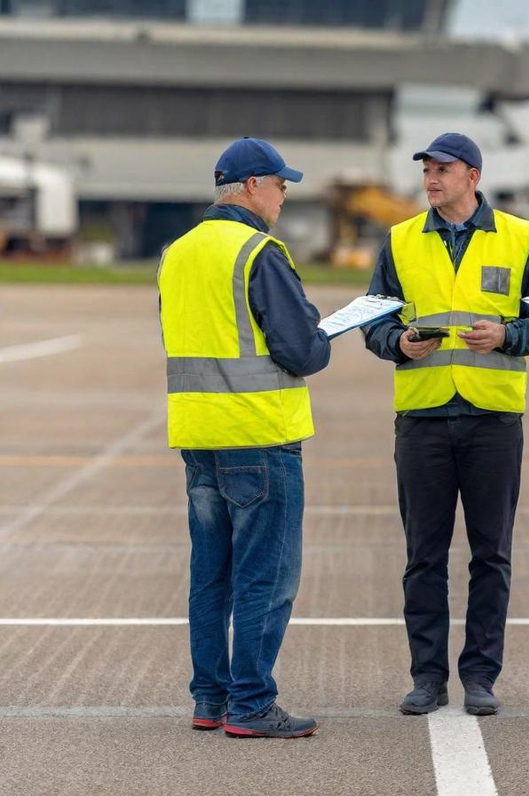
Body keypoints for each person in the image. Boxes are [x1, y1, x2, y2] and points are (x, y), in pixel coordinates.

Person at [363, 132, 529, 716]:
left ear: (473, 177)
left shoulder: (519, 237)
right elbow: (371, 320)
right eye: (427, 170)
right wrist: (398, 343)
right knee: (423, 557)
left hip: (492, 419)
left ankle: (480, 676)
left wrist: (509, 335)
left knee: (491, 556)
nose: (431, 179)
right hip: (423, 418)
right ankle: (427, 678)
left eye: (443, 170)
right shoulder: (401, 239)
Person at [158, 137, 331, 738]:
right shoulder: (259, 251)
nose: (283, 197)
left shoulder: (177, 252)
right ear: (253, 186)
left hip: (198, 434)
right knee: (266, 578)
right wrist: (321, 333)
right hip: (258, 435)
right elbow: (301, 351)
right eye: (281, 185)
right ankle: (252, 703)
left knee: (211, 577)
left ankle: (210, 699)